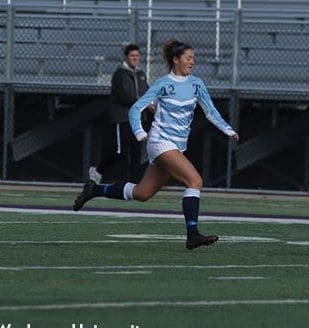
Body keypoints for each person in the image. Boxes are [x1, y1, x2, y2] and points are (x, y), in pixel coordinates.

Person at [73, 39, 239, 250]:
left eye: (193, 58)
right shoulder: (162, 84)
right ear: (175, 60)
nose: (193, 62)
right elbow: (135, 108)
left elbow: (211, 111)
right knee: (195, 181)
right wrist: (140, 132)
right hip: (160, 142)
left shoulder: (196, 84)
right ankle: (192, 234)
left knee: (143, 193)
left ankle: (95, 190)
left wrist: (228, 129)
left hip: (175, 146)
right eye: (189, 58)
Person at [88, 43, 151, 184]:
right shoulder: (120, 75)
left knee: (136, 153)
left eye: (137, 56)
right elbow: (124, 96)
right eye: (132, 56)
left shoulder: (141, 74)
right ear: (126, 57)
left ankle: (134, 185)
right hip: (123, 118)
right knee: (120, 152)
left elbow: (146, 92)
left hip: (138, 121)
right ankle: (99, 170)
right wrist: (143, 103)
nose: (135, 58)